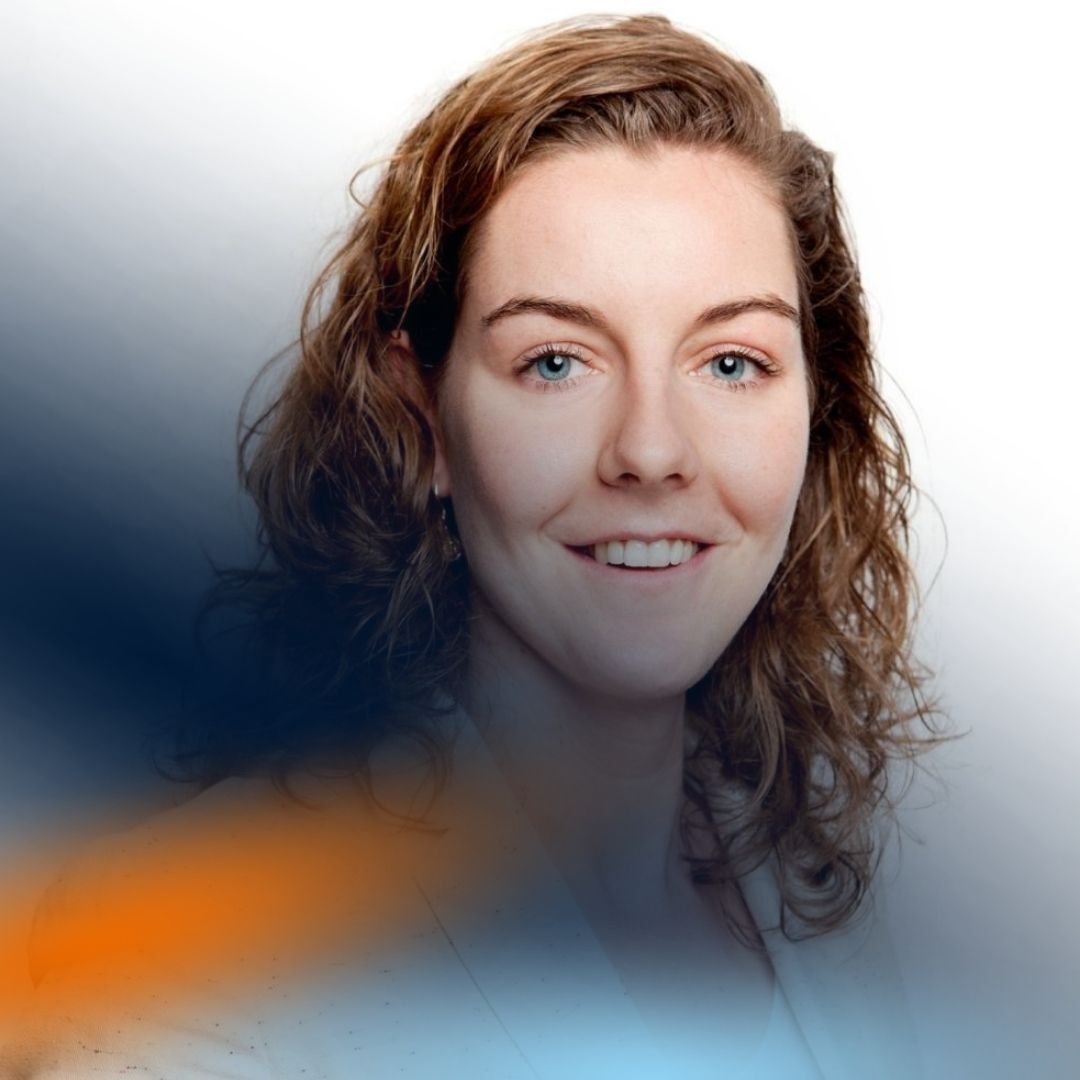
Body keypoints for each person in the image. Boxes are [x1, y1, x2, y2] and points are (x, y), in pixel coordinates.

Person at [8, 13, 939, 1079]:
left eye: (731, 363)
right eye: (555, 362)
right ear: (424, 422)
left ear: (816, 407)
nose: (650, 451)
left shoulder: (818, 897)